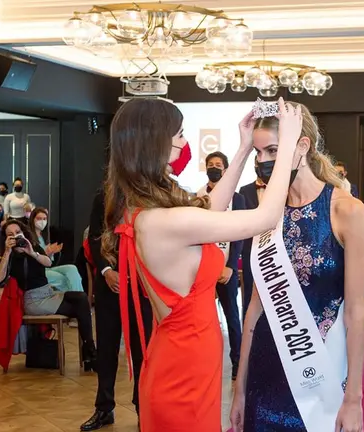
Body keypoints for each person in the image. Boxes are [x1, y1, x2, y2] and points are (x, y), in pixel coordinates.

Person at [101, 97, 301, 431]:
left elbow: (210, 210)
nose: (184, 141)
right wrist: (288, 145)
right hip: (185, 370)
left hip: (185, 358)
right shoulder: (162, 221)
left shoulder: (147, 213)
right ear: (155, 141)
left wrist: (242, 149)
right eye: (178, 134)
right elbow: (265, 216)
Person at [231, 100, 364, 432]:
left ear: (302, 145)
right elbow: (254, 307)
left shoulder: (347, 211)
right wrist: (239, 386)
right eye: (258, 154)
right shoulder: (267, 213)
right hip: (265, 371)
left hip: (321, 369)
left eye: (273, 150)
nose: (264, 162)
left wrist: (353, 399)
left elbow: (356, 312)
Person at [82, 188, 153, 431]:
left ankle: (143, 409)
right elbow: (93, 238)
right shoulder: (102, 197)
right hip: (109, 285)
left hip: (141, 287)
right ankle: (104, 408)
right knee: (106, 350)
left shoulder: (150, 195)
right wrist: (106, 271)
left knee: (142, 351)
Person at [0, 220, 96, 370]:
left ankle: (90, 351)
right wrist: (7, 252)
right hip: (33, 301)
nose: (16, 236)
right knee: (80, 308)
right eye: (10, 235)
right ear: (6, 239)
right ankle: (90, 354)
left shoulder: (33, 247)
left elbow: (48, 263)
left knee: (81, 297)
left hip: (48, 293)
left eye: (17, 232)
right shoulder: (9, 257)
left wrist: (32, 253)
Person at [197, 150, 246, 379]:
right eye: (210, 164)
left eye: (218, 164)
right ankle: (203, 365)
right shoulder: (196, 197)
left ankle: (237, 364)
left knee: (232, 318)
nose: (214, 167)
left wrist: (230, 265)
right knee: (201, 320)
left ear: (226, 170)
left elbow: (239, 232)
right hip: (203, 269)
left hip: (226, 268)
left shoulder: (237, 199)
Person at [29, 207, 84, 293]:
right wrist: (47, 252)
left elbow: (49, 262)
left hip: (47, 268)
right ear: (33, 219)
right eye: (39, 219)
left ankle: (80, 297)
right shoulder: (29, 237)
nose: (42, 221)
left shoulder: (43, 237)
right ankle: (77, 299)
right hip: (38, 271)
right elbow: (33, 258)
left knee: (72, 269)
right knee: (63, 279)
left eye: (44, 219)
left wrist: (51, 252)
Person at [238, 156, 264, 320]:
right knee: (249, 294)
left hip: (276, 249)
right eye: (257, 162)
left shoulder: (282, 189)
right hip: (250, 251)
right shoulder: (245, 190)